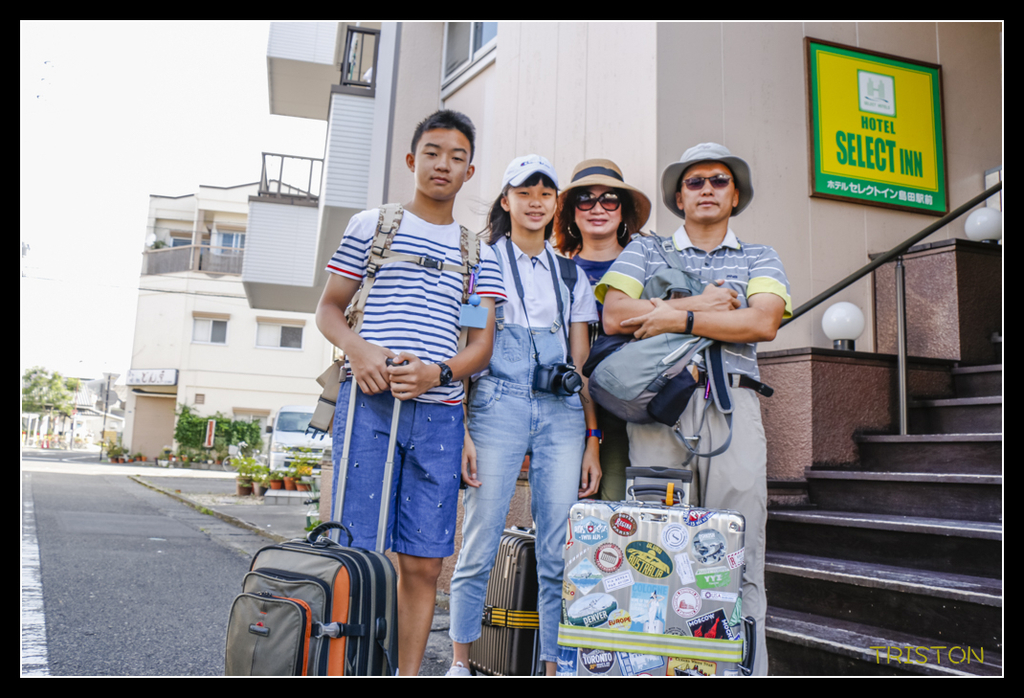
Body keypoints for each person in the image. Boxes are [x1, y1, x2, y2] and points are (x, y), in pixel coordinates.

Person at [315, 110, 506, 676]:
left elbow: (479, 346)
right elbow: (328, 309)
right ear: (411, 160)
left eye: (455, 156)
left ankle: (406, 673)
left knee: (423, 565)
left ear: (470, 171)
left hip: (439, 419)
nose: (442, 164)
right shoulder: (372, 227)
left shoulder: (478, 253)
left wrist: (438, 374)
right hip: (368, 407)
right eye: (432, 152)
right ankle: (346, 667)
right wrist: (361, 350)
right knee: (357, 554)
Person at [598, 143, 791, 676]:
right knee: (655, 544)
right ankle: (652, 668)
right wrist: (703, 306)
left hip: (734, 401)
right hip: (662, 405)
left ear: (735, 196)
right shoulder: (644, 249)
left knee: (740, 545)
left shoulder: (760, 256)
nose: (707, 189)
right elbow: (616, 315)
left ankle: (741, 669)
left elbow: (761, 324)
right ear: (678, 196)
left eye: (719, 181)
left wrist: (669, 318)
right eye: (695, 181)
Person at [447, 155, 601, 676]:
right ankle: (461, 661)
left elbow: (580, 366)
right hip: (496, 403)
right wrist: (462, 427)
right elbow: (469, 345)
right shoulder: (482, 262)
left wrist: (593, 438)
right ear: (506, 200)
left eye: (545, 193)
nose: (535, 202)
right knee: (480, 538)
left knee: (559, 546)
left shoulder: (571, 272)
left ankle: (552, 665)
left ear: (556, 205)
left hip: (561, 412)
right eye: (525, 192)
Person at [553, 158, 652, 501]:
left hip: (631, 412)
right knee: (565, 518)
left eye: (609, 198)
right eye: (586, 199)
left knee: (620, 515)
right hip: (565, 408)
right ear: (572, 212)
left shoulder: (648, 266)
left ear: (622, 212)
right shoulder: (554, 271)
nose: (598, 208)